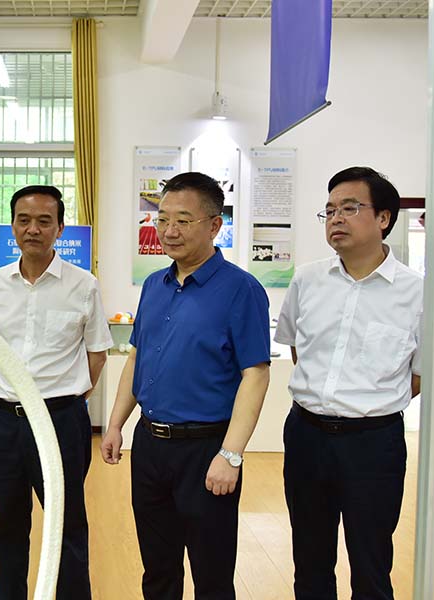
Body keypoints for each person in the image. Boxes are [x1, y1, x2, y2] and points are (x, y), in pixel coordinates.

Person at [101, 171, 272, 599]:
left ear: (214, 225)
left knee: (211, 574)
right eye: (161, 219)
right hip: (150, 446)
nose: (169, 231)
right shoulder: (154, 286)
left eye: (182, 220)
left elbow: (256, 374)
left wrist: (230, 454)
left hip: (206, 448)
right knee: (157, 568)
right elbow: (137, 357)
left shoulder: (241, 290)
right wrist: (116, 423)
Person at [274, 166, 423, 600]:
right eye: (330, 210)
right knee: (310, 560)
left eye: (350, 208)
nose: (336, 218)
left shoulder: (417, 293)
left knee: (371, 562)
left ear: (384, 218)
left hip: (373, 444)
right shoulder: (307, 279)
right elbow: (298, 349)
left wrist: (363, 404)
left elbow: (417, 375)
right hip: (306, 435)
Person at [0, 184, 111, 600]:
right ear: (12, 226)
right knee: (7, 525)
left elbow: (97, 354)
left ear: (60, 228)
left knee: (66, 524)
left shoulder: (83, 285)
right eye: (23, 220)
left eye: (43, 221)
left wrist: (68, 398)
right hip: (4, 423)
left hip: (60, 422)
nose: (32, 229)